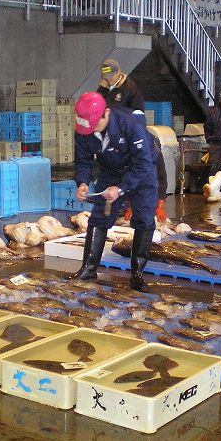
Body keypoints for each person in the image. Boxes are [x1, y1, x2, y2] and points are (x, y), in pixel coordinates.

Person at [70, 92, 158, 292]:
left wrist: (120, 189)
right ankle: (89, 268)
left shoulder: (130, 123)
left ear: (106, 114)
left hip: (141, 170)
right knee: (100, 216)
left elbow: (143, 164)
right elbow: (83, 162)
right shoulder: (84, 129)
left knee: (144, 217)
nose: (90, 130)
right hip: (110, 170)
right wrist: (82, 183)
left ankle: (137, 274)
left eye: (94, 126)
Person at [97, 58, 167, 221]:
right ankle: (125, 202)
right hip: (111, 136)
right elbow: (98, 106)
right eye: (105, 78)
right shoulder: (106, 88)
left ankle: (158, 200)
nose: (108, 80)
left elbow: (138, 116)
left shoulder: (130, 88)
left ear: (119, 72)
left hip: (131, 134)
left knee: (151, 159)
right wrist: (102, 87)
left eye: (110, 77)